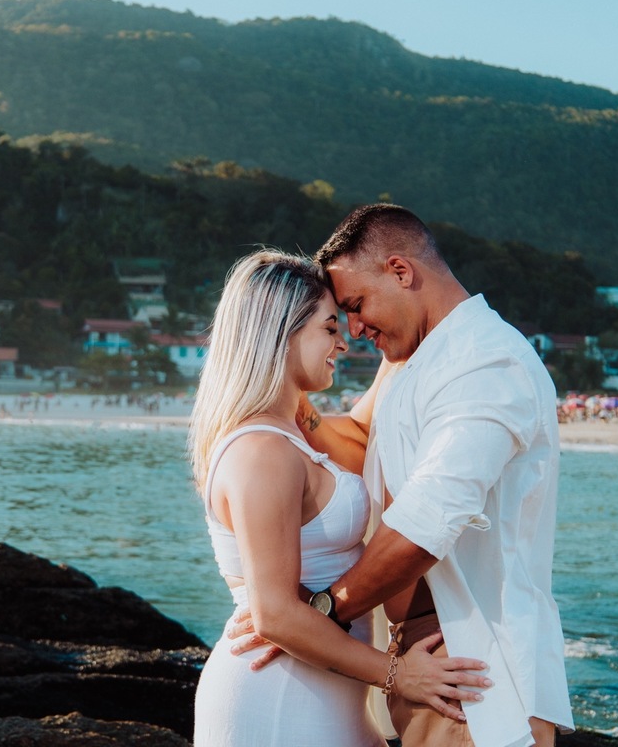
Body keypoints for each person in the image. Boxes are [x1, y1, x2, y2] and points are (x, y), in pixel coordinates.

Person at [233, 205, 575, 747]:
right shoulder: (411, 362)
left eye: (356, 306)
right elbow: (362, 445)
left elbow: (425, 525)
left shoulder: (486, 364)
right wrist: (286, 398)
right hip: (422, 657)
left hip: (471, 663)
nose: (354, 329)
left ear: (400, 271)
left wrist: (321, 611)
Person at [190, 249, 490, 747]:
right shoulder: (262, 451)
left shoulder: (288, 435)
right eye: (329, 328)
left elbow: (360, 434)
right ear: (281, 333)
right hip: (279, 697)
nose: (344, 342)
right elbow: (276, 614)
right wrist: (398, 675)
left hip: (321, 696)